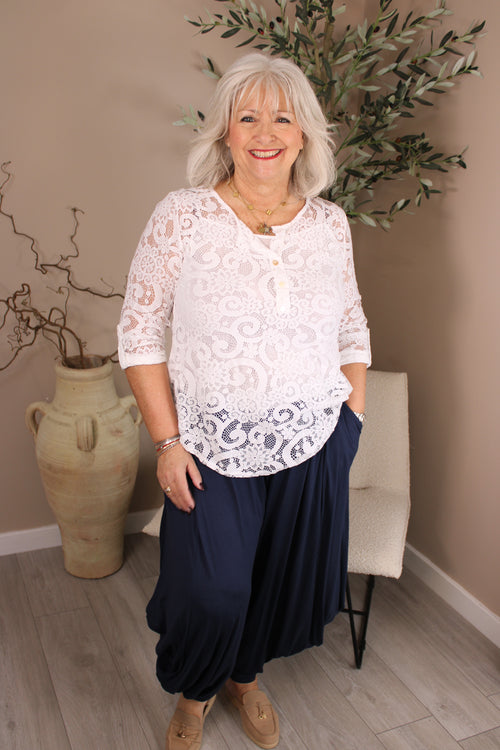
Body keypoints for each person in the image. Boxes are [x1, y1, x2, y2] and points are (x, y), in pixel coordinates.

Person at [117, 52, 371, 750]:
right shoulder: (183, 216)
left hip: (314, 438)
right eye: (248, 117)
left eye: (282, 118)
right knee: (213, 590)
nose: (265, 133)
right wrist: (168, 443)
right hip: (208, 443)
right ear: (225, 132)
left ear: (304, 133)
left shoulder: (329, 224)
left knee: (277, 582)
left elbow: (352, 324)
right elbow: (138, 332)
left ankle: (244, 677)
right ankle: (194, 693)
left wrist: (351, 418)